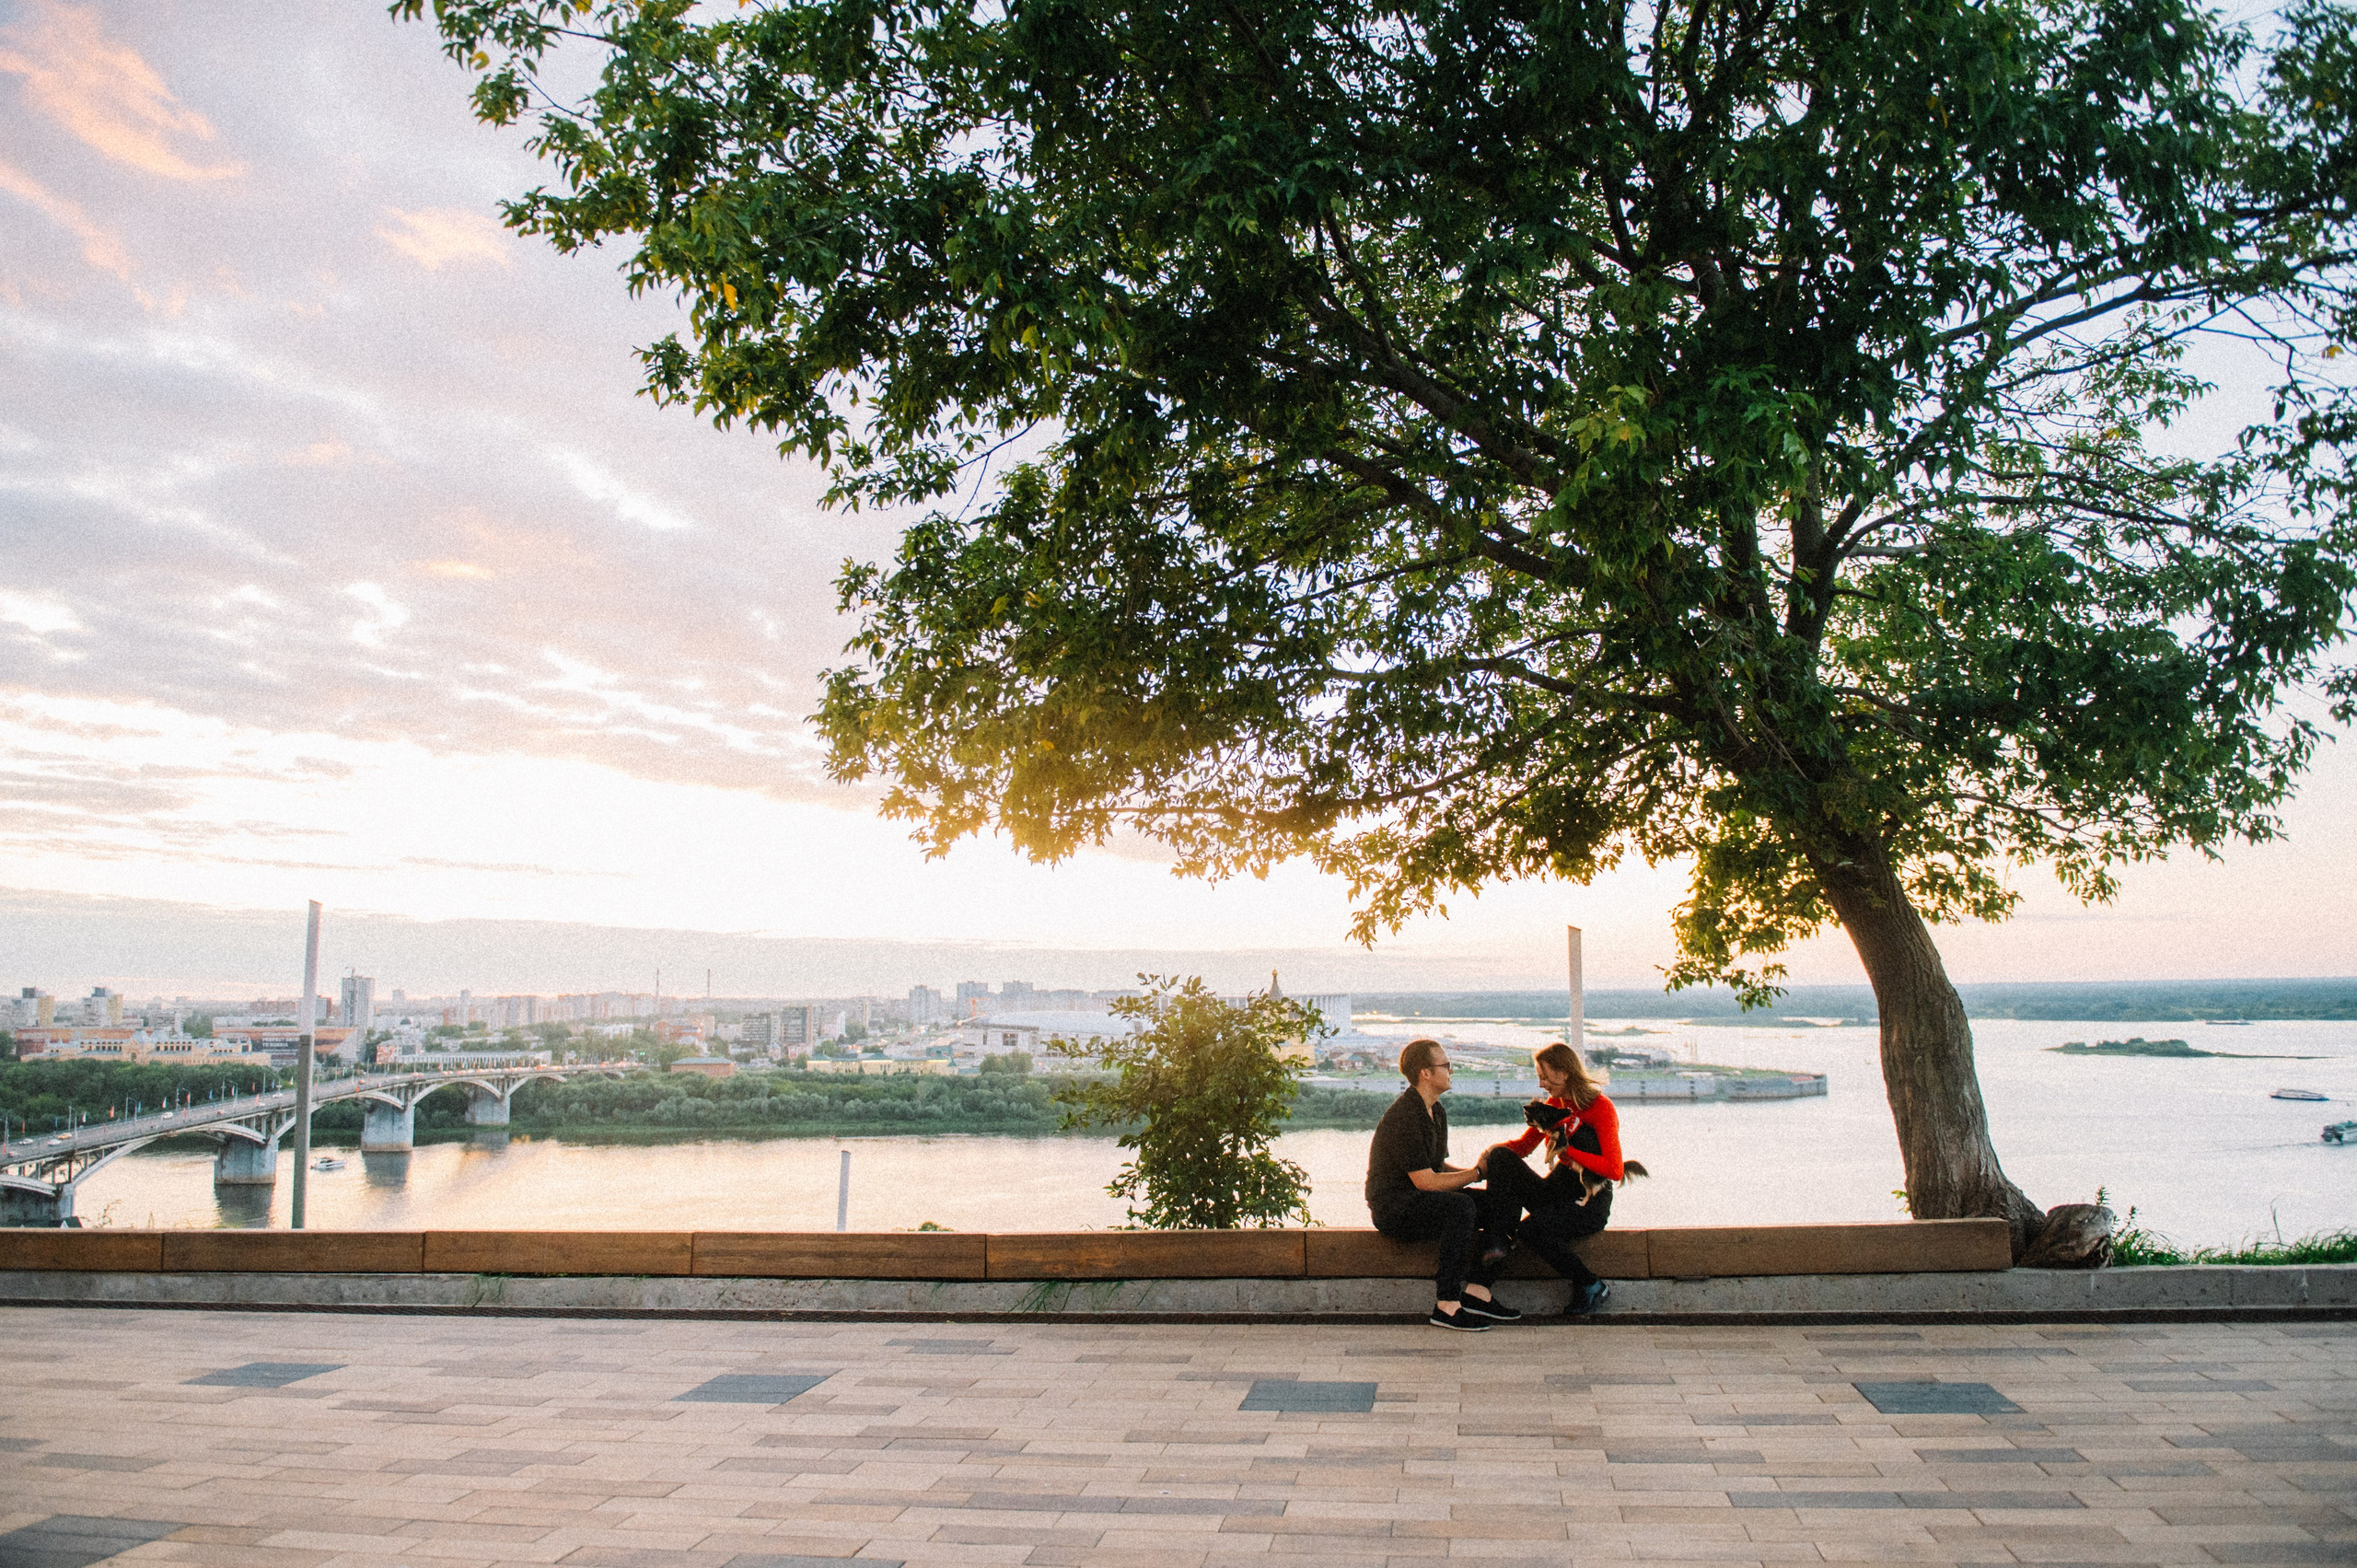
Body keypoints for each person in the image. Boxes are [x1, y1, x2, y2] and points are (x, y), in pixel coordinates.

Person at [1364, 1038, 1520, 1330]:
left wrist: (1480, 1172)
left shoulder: (1436, 1111)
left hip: (1422, 1200)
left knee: (1504, 1202)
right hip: (1395, 1209)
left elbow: (1437, 1168)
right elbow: (1426, 1182)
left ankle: (1478, 1291)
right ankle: (1447, 1305)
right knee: (1460, 1207)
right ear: (1425, 1072)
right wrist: (1475, 1174)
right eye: (1446, 1065)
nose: (1451, 1071)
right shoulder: (1405, 1116)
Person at [1477, 1040, 1631, 1315]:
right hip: (1557, 1190)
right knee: (1501, 1155)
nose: (1541, 1084)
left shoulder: (1600, 1107)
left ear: (1565, 1073)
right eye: (1539, 1077)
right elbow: (1523, 1147)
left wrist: (1568, 1150)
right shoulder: (1554, 1104)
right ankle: (1497, 1240)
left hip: (1589, 1201)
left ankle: (1591, 1285)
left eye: (1545, 1076)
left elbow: (1614, 1169)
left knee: (1529, 1230)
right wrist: (1488, 1155)